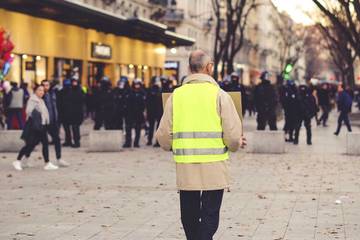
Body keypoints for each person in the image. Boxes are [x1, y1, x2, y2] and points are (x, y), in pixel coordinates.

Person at [156, 50, 246, 240]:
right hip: (214, 164)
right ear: (209, 67)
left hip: (186, 165)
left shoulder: (176, 96)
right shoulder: (220, 95)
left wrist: (170, 145)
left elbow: (163, 136)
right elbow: (232, 135)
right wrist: (236, 144)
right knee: (210, 215)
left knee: (188, 215)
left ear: (189, 68)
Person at [13, 85, 59, 171]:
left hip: (42, 125)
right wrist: (37, 113)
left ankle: (46, 163)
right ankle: (18, 161)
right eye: (39, 90)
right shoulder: (33, 100)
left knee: (43, 144)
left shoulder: (41, 100)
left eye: (42, 90)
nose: (41, 92)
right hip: (34, 127)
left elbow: (45, 114)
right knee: (29, 145)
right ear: (35, 91)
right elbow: (28, 111)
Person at [41, 80, 69, 167]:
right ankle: (24, 158)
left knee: (57, 139)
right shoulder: (40, 95)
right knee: (38, 142)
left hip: (52, 121)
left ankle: (59, 158)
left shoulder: (53, 93)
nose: (46, 87)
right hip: (43, 122)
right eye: (44, 85)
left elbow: (56, 106)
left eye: (47, 85)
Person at [59, 79, 84, 148]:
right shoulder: (65, 92)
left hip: (74, 113)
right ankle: (70, 141)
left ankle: (75, 142)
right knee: (69, 127)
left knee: (74, 127)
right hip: (68, 112)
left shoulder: (76, 91)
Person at [123, 78, 146, 148]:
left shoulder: (142, 93)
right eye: (135, 84)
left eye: (138, 84)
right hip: (130, 113)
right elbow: (126, 102)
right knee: (128, 128)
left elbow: (144, 104)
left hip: (139, 113)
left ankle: (136, 142)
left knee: (138, 129)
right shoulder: (129, 92)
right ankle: (128, 142)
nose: (137, 86)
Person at [146, 76, 163, 147]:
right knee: (152, 127)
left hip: (158, 111)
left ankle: (157, 141)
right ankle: (150, 140)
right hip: (152, 111)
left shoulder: (160, 90)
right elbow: (148, 101)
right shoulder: (150, 90)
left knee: (157, 127)